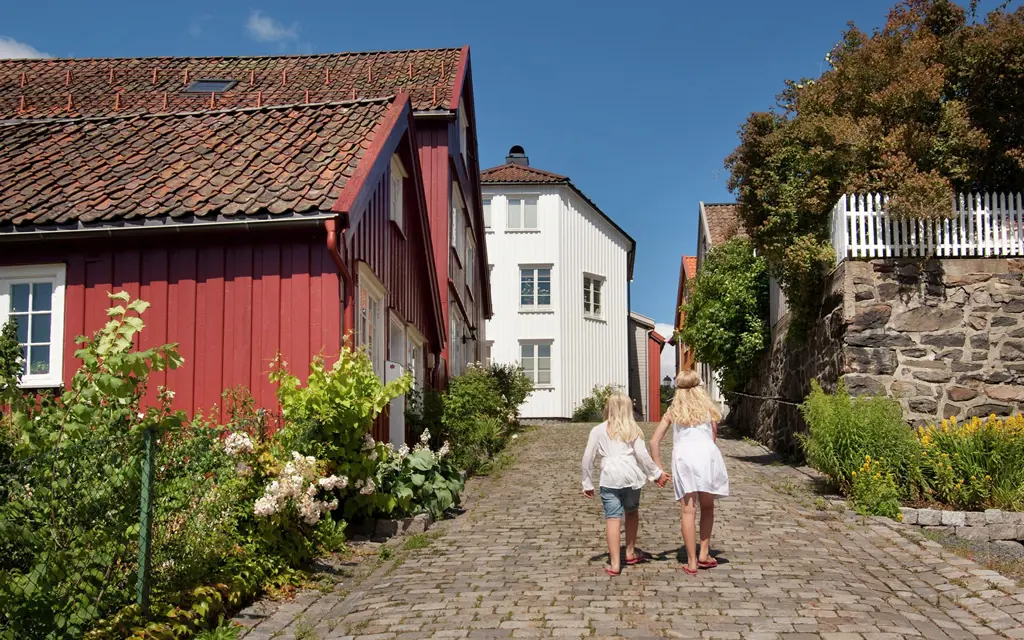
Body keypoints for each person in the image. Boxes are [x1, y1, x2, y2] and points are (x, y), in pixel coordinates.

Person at [581, 392, 670, 576]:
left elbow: (587, 458)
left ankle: (614, 564)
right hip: (630, 476)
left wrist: (587, 482)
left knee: (612, 518)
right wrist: (657, 474)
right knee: (631, 512)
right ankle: (629, 551)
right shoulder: (634, 429)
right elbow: (643, 456)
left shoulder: (598, 430)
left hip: (609, 478)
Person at [650, 370, 729, 575]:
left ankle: (692, 561)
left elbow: (654, 441)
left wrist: (659, 469)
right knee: (708, 507)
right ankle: (704, 553)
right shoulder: (709, 409)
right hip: (706, 456)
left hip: (684, 458)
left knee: (688, 511)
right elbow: (713, 436)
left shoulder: (673, 411)